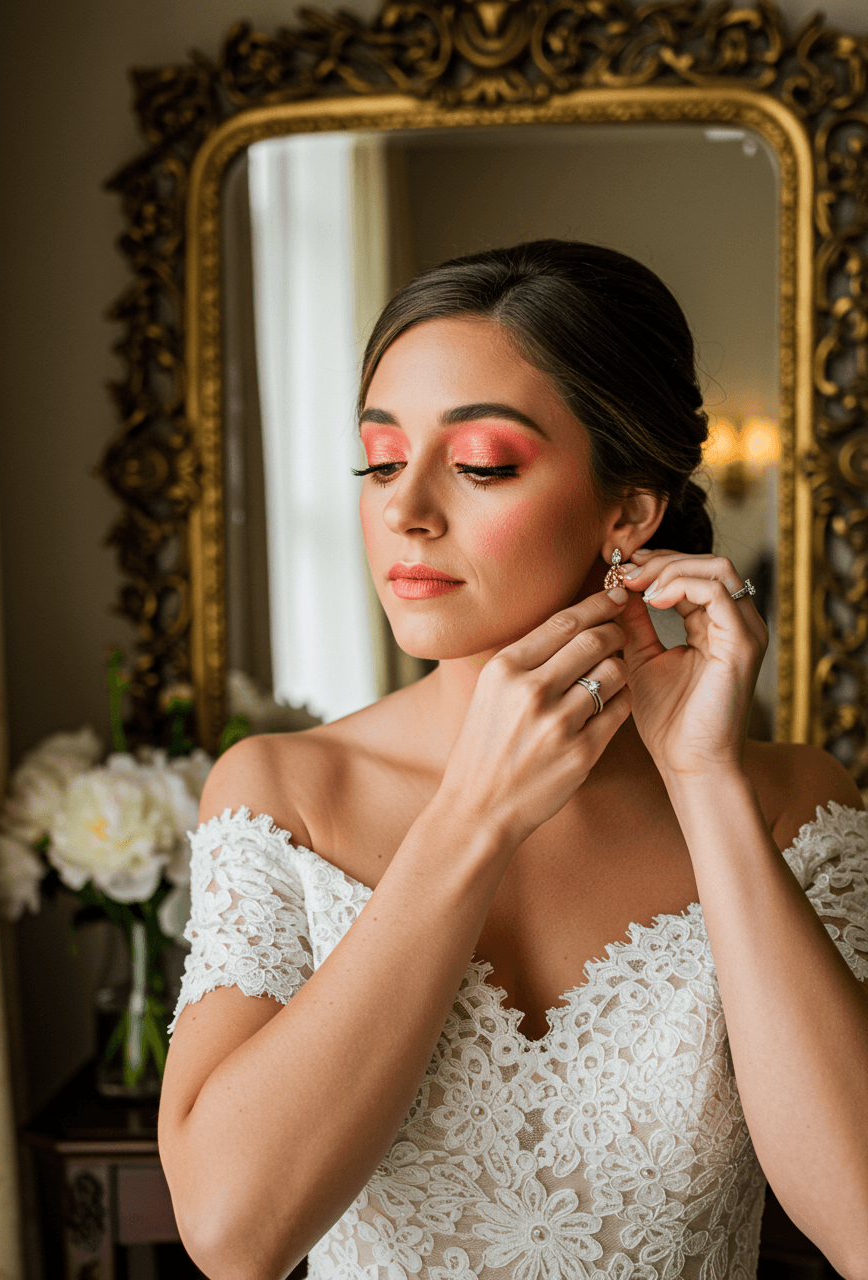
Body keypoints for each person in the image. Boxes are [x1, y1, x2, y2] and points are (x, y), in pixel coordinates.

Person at [157, 241, 868, 1280]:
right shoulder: (284, 795)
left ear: (627, 509)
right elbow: (231, 1234)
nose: (404, 509)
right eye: (380, 460)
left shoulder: (789, 801)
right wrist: (471, 818)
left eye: (480, 464)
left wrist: (704, 782)